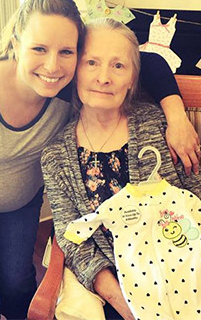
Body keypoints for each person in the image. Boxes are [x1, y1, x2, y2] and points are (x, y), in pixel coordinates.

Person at [0, 0, 198, 320]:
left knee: (17, 282)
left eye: (66, 51)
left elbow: (148, 61)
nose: (52, 65)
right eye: (38, 48)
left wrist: (177, 115)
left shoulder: (67, 82)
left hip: (21, 203)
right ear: (16, 41)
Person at [40, 18, 201, 320]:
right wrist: (127, 307)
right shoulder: (55, 156)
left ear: (132, 80)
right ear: (74, 72)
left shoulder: (161, 127)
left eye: (118, 66)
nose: (104, 77)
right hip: (112, 283)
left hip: (184, 267)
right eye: (92, 63)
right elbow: (71, 238)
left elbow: (196, 195)